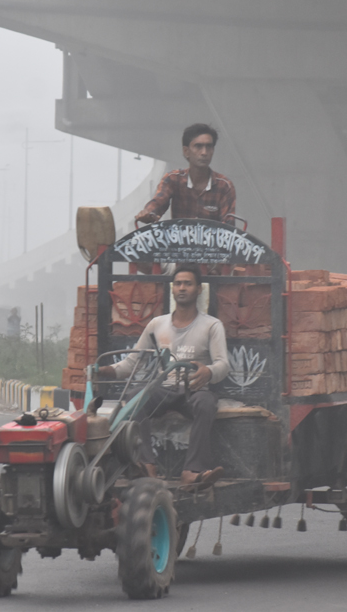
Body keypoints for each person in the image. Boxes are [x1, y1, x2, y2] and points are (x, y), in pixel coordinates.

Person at [98, 264, 228, 487]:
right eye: (178, 283)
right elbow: (132, 363)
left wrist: (209, 371)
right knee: (135, 397)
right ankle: (147, 465)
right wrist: (104, 371)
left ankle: (192, 471)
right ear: (172, 289)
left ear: (199, 289)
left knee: (206, 404)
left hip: (194, 390)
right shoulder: (157, 324)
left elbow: (223, 364)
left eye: (188, 283)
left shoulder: (212, 326)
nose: (182, 288)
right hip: (163, 388)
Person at [134, 123, 236, 225]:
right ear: (186, 151)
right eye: (198, 146)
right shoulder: (173, 179)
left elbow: (229, 226)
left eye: (209, 147)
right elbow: (159, 202)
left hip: (213, 241)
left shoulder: (224, 185)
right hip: (179, 241)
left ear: (213, 151)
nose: (204, 152)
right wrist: (148, 213)